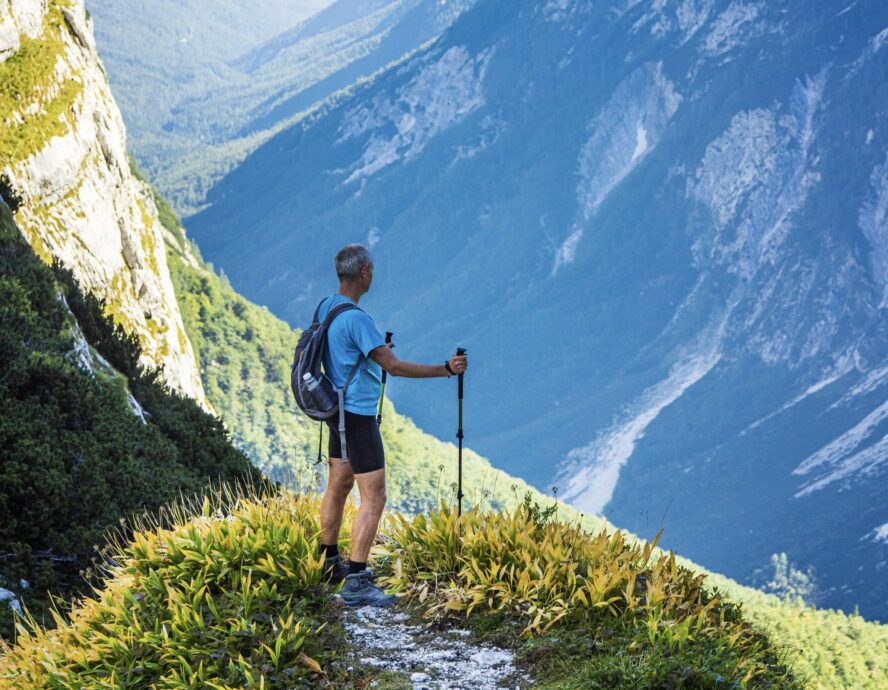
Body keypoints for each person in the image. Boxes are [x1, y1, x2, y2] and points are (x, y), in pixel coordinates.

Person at [317, 244, 468, 607]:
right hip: (358, 415)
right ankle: (356, 579)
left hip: (335, 410)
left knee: (337, 485)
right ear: (365, 273)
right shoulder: (358, 319)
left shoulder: (326, 307)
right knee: (375, 496)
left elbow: (347, 351)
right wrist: (446, 370)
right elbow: (394, 367)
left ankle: (327, 562)